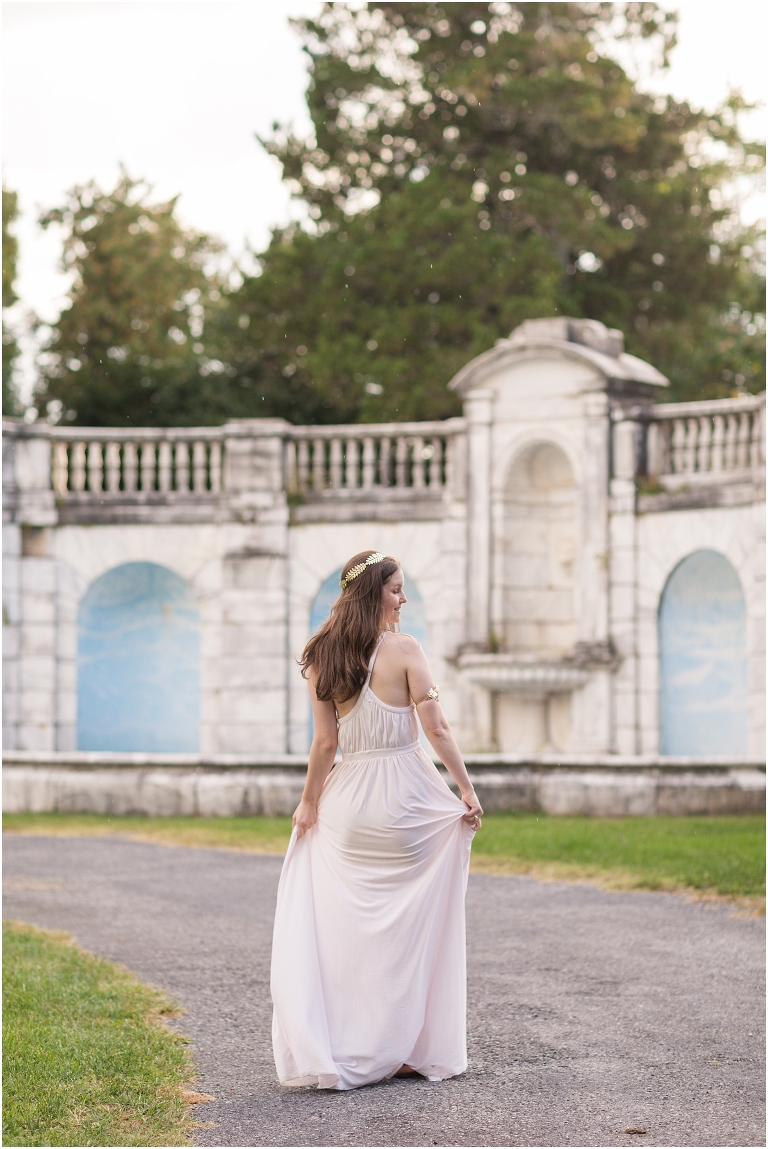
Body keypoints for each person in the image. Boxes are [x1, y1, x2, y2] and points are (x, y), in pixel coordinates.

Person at [270, 550, 483, 1091]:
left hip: (350, 805)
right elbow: (436, 729)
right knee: (409, 933)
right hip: (406, 804)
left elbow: (325, 743)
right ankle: (407, 1044)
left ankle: (348, 1043)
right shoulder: (406, 651)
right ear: (374, 594)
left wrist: (309, 803)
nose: (403, 599)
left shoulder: (321, 655)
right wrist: (465, 788)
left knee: (349, 934)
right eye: (396, 590)